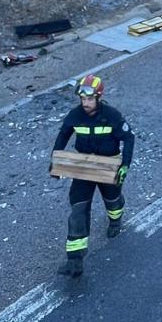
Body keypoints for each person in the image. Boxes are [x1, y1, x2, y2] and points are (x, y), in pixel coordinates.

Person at [52, 75, 134, 278]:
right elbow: (63, 135)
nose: (86, 103)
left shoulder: (112, 115)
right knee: (78, 207)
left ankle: (115, 221)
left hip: (108, 165)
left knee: (112, 200)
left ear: (98, 97)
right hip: (85, 165)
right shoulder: (75, 115)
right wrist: (56, 160)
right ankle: (75, 260)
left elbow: (128, 138)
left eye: (89, 99)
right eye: (83, 99)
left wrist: (124, 165)